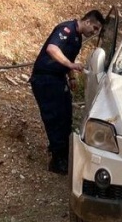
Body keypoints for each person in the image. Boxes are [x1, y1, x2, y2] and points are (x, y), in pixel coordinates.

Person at [30, 10, 104, 175]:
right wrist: (70, 66)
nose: (94, 32)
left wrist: (71, 78)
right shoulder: (66, 29)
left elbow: (68, 58)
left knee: (65, 116)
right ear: (86, 22)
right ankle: (57, 160)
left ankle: (61, 151)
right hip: (45, 79)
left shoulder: (77, 39)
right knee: (55, 118)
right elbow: (52, 49)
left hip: (58, 79)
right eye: (94, 28)